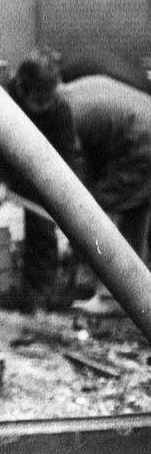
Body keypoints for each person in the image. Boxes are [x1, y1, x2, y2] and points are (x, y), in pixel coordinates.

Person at [0, 46, 85, 312]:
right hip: (9, 164)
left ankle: (37, 298)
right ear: (23, 88)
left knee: (42, 229)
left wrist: (70, 198)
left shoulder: (58, 107)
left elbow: (70, 154)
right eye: (40, 100)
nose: (46, 105)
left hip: (42, 170)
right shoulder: (3, 99)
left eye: (50, 99)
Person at [60, 73, 151, 315]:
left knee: (97, 212)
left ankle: (112, 296)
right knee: (136, 207)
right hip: (140, 128)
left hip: (140, 140)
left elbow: (80, 174)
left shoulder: (66, 116)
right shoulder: (74, 93)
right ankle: (130, 292)